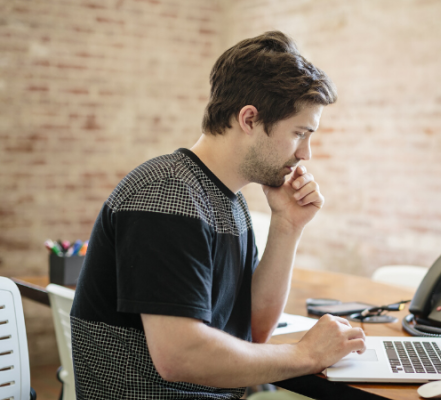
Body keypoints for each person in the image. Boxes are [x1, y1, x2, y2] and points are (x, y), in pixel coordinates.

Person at [70, 31, 366, 399]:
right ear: (249, 119)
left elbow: (252, 330)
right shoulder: (167, 193)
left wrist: (287, 226)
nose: (305, 153)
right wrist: (305, 354)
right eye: (299, 133)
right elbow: (181, 357)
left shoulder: (229, 201)